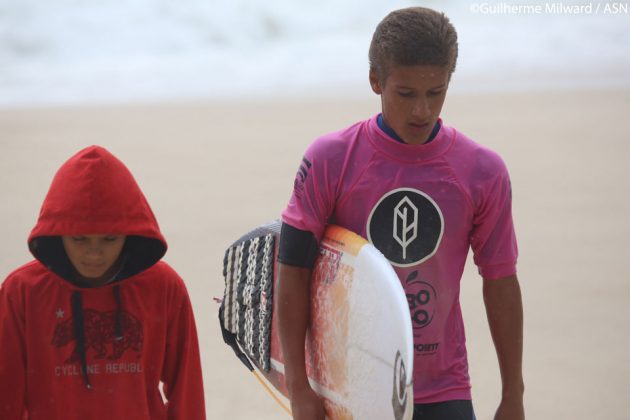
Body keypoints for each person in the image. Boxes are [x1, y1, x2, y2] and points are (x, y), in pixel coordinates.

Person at [276, 7, 524, 420]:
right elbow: (294, 268)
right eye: (406, 94)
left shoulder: (482, 171)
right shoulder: (331, 160)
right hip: (351, 384)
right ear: (376, 81)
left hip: (442, 383)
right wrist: (298, 387)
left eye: (436, 92)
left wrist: (512, 393)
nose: (422, 112)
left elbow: (500, 280)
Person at [0, 146, 206, 419]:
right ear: (59, 235)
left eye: (109, 239)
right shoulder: (21, 292)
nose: (94, 253)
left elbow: (186, 388)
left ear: (129, 235)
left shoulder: (164, 287)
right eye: (79, 239)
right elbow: (6, 396)